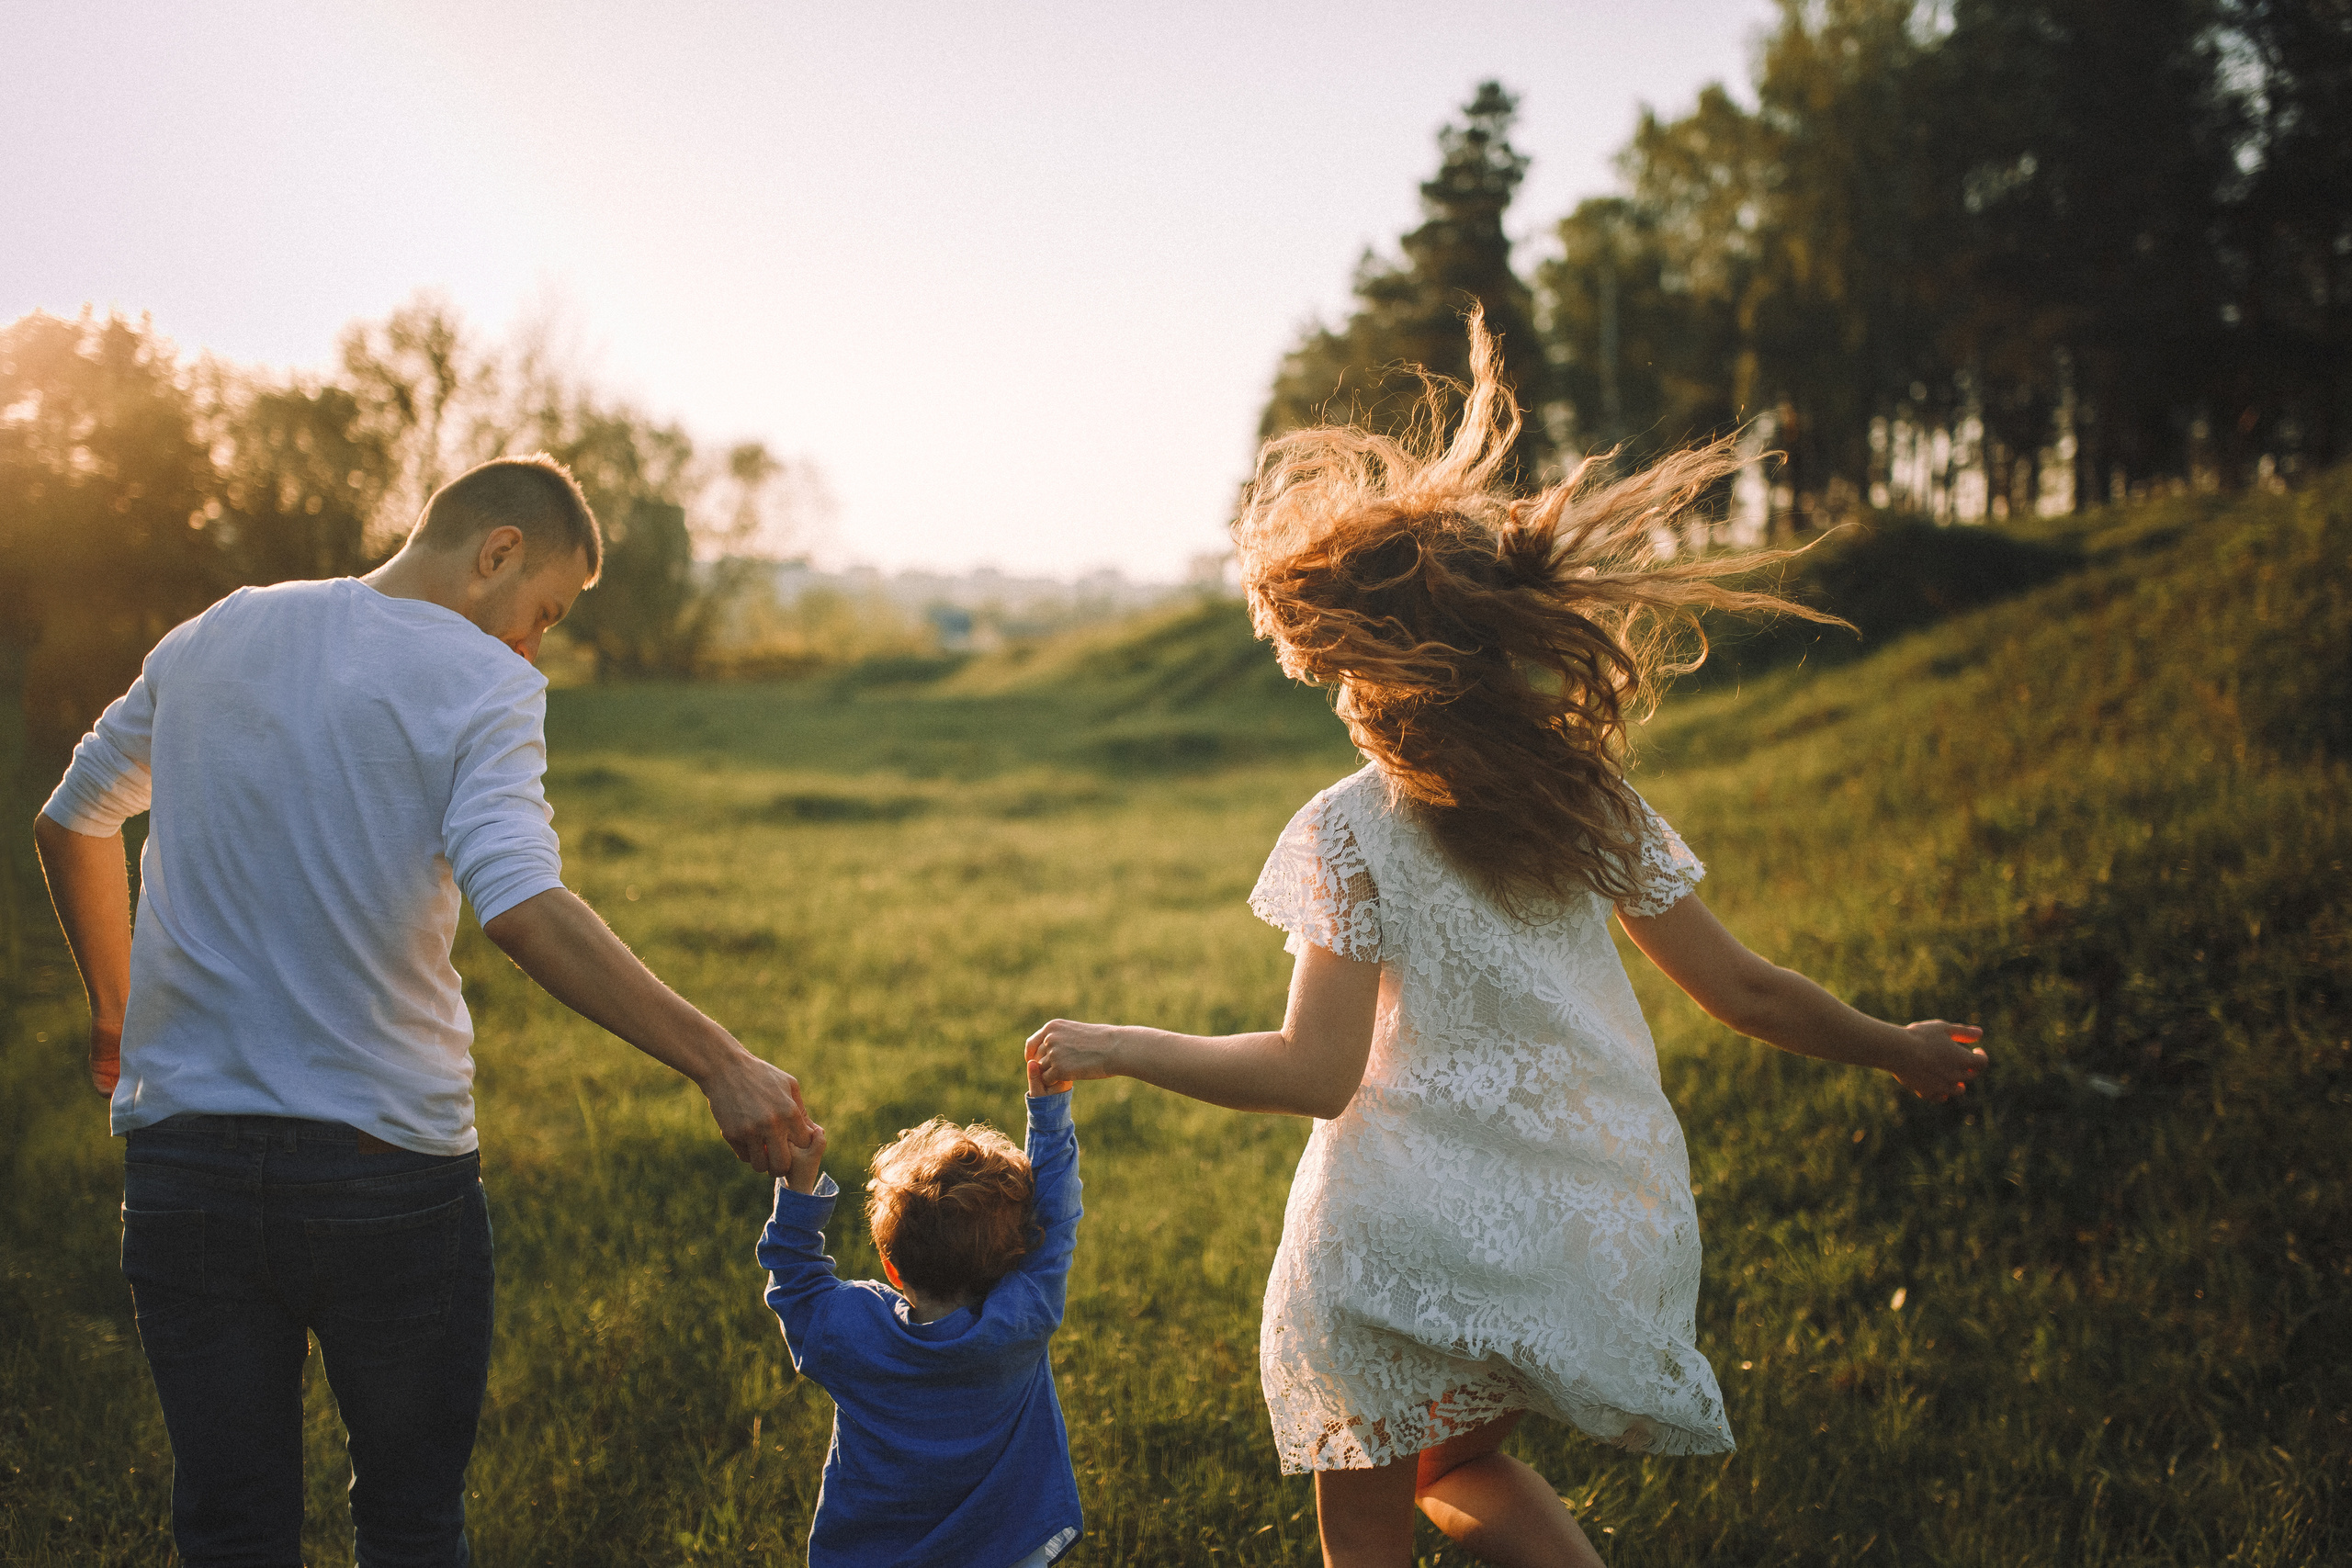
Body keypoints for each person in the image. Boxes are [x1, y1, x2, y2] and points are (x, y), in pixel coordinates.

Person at [1025, 315, 1989, 1568]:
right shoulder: (1585, 801)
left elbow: (1316, 1071)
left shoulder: (1349, 827)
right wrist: (1894, 1044)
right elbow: (1744, 986)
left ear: (1353, 662)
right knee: (1464, 1461)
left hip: (1386, 1238)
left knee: (1377, 1502)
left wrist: (1122, 1043)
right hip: (1546, 1220)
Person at [32, 454, 811, 1568]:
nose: (532, 644)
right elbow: (523, 906)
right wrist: (720, 1060)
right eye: (543, 610)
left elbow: (73, 819)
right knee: (407, 1520)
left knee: (227, 1524)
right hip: (385, 1170)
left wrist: (116, 1010)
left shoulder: (218, 630)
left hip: (182, 1161)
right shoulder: (483, 683)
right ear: (497, 550)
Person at [756, 1051, 1084, 1568]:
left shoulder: (851, 1331)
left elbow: (795, 1284)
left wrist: (800, 1185)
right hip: (1004, 1549)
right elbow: (1056, 1218)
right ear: (1014, 1258)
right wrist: (1050, 1110)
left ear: (892, 1266)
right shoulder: (1022, 1319)